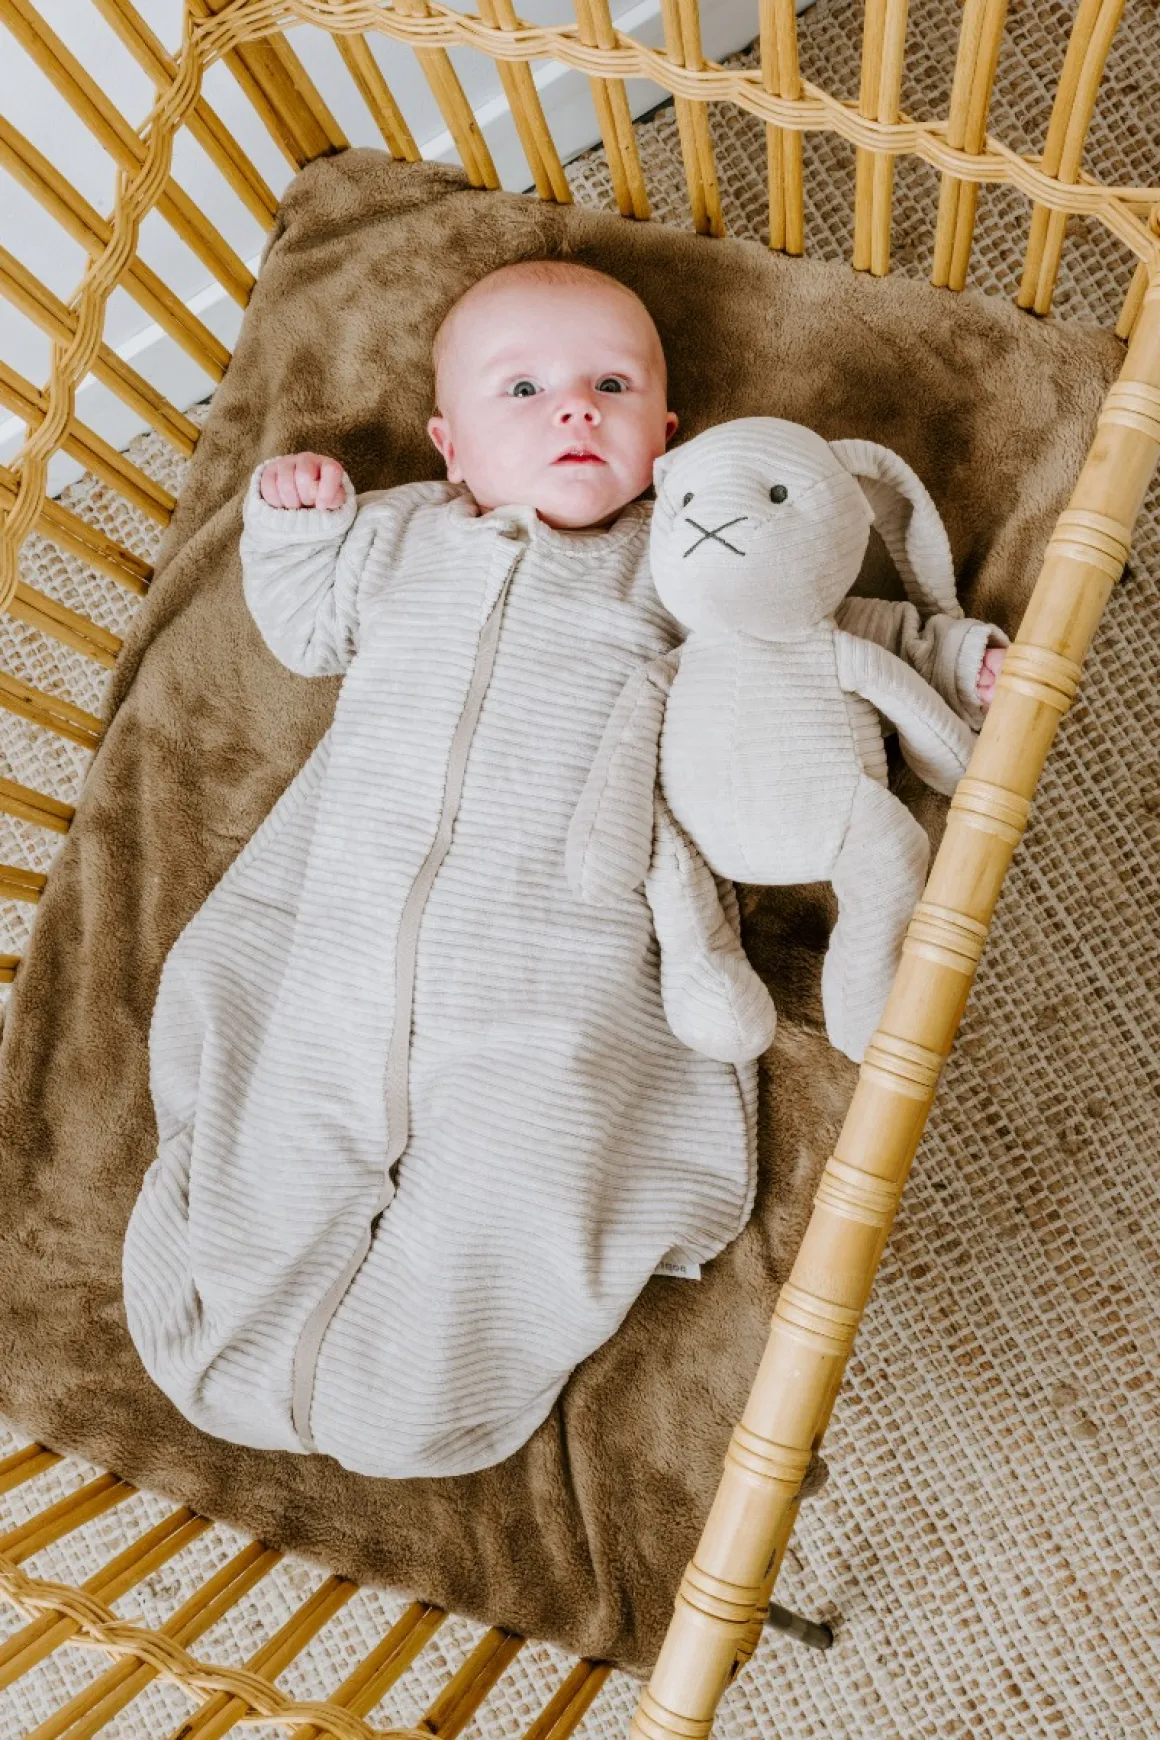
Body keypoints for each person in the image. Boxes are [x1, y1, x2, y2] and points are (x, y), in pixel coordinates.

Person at [123, 261, 1005, 1479]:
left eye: (611, 386)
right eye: (524, 390)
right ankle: (235, 1329)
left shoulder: (677, 560)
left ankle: (420, 1389)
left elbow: (810, 626)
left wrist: (950, 659)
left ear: (666, 436)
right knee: (287, 1128)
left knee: (517, 1165)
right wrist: (295, 529)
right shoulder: (405, 536)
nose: (574, 409)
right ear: (450, 445)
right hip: (353, 930)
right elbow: (309, 631)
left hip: (556, 956)